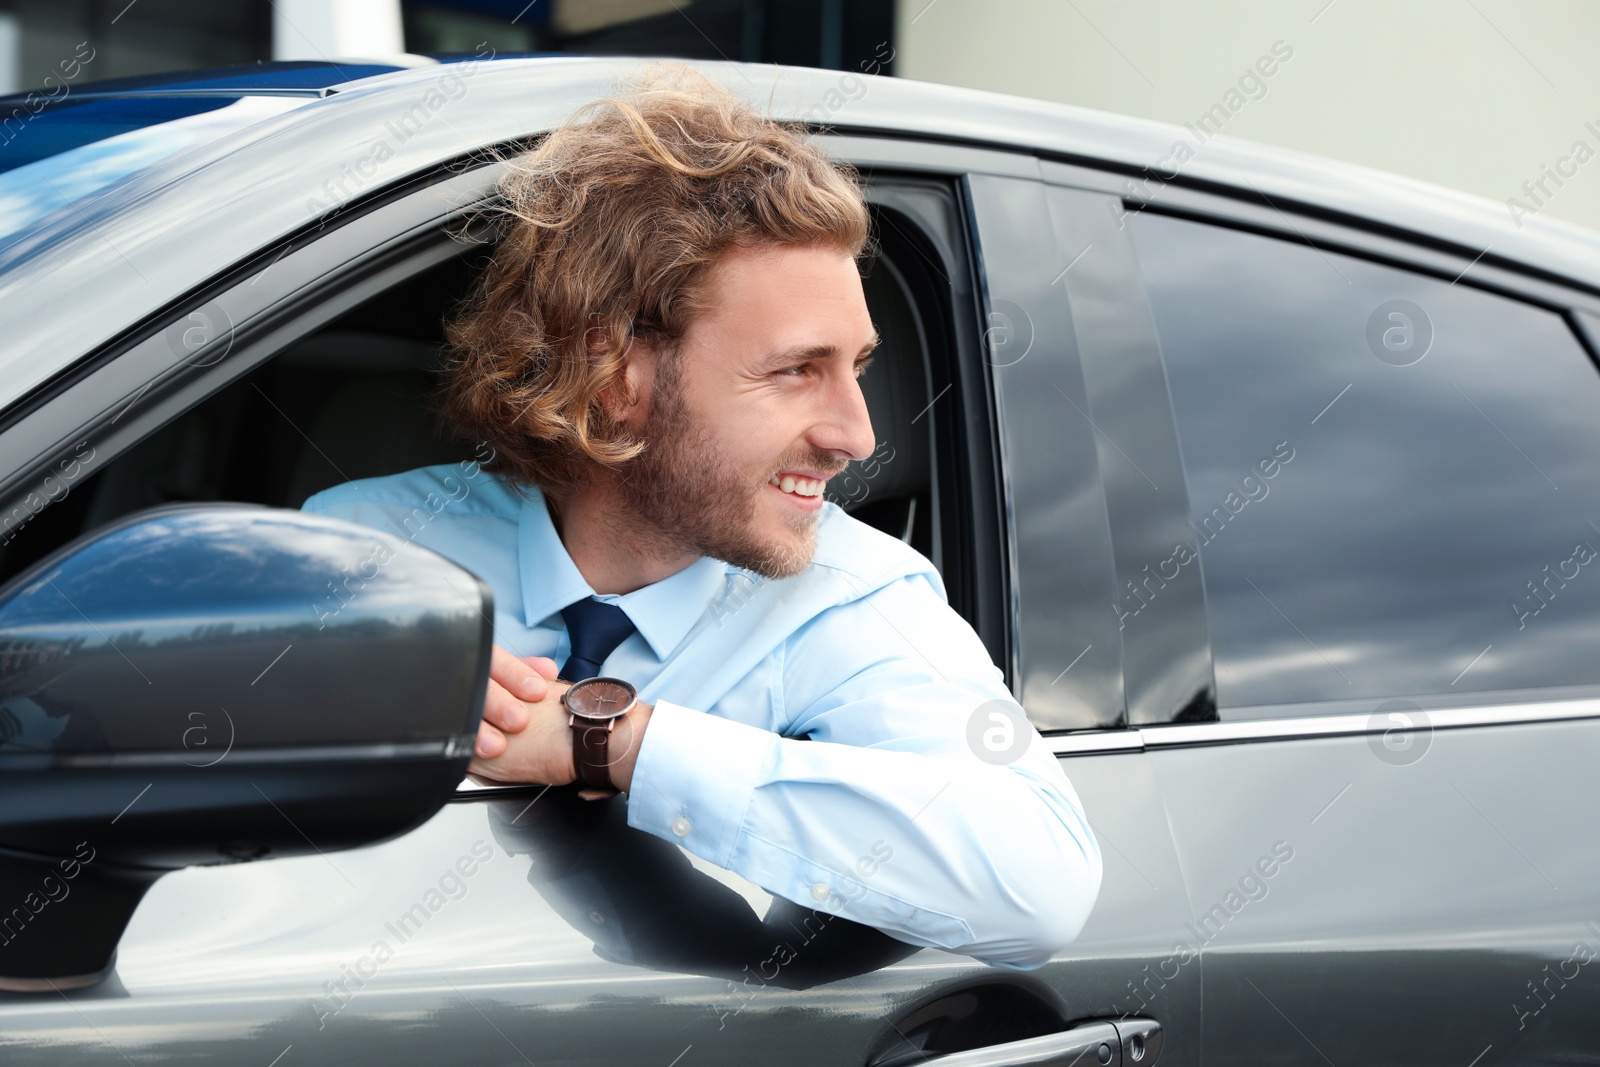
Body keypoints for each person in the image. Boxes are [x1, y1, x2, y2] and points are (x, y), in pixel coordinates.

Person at [302, 66, 1101, 970]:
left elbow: (1040, 884)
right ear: (618, 377)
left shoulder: (855, 597)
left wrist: (610, 743)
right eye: (797, 369)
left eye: (858, 367)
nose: (857, 434)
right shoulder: (370, 547)